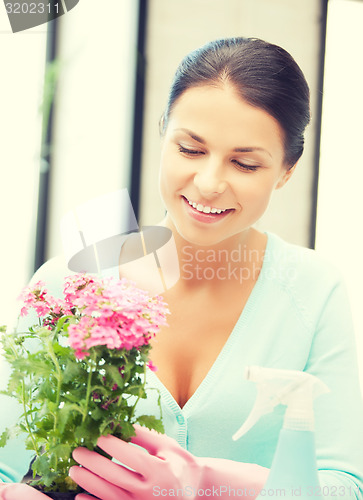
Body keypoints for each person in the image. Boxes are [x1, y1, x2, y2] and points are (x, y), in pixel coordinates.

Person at [1, 37, 363, 500]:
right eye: (190, 150)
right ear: (163, 133)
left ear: (287, 170)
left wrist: (206, 483)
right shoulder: (67, 286)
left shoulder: (313, 290)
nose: (210, 184)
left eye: (245, 163)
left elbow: (344, 487)